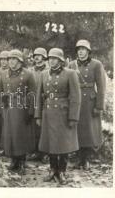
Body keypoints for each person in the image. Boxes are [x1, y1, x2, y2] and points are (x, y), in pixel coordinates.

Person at [35, 48, 81, 185]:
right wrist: (38, 115)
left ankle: (62, 170)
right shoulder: (43, 74)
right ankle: (52, 169)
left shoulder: (70, 74)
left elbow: (75, 97)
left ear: (61, 61)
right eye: (50, 58)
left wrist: (73, 117)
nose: (51, 61)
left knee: (64, 144)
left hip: (63, 114)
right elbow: (38, 96)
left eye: (54, 58)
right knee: (51, 144)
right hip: (48, 113)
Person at [68, 39, 106, 170]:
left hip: (90, 101)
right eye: (78, 50)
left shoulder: (96, 65)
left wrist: (99, 106)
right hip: (76, 100)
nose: (81, 52)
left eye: (83, 49)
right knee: (76, 128)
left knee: (89, 131)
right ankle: (79, 157)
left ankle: (86, 159)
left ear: (88, 51)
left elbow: (101, 87)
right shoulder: (72, 65)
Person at [0, 49, 36, 174]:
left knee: (21, 134)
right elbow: (1, 90)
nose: (11, 61)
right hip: (8, 107)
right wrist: (2, 101)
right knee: (10, 134)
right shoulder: (3, 74)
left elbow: (32, 94)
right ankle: (13, 160)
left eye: (14, 59)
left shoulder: (28, 74)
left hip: (22, 107)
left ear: (20, 61)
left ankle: (22, 161)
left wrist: (30, 111)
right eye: (9, 59)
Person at [29, 47, 49, 162]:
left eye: (39, 55)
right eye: (35, 55)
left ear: (44, 57)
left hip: (45, 100)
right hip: (33, 100)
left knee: (45, 126)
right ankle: (36, 151)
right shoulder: (30, 71)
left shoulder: (49, 70)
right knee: (34, 127)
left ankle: (45, 152)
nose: (37, 57)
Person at [0, 50, 9, 151]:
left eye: (5, 60)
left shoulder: (11, 72)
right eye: (2, 60)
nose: (3, 62)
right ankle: (0, 143)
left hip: (8, 100)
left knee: (7, 123)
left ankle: (6, 145)